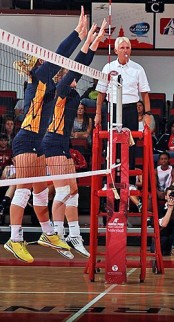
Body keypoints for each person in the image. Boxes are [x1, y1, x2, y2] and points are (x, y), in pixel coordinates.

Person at [5, 10, 88, 263]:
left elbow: (70, 68)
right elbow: (60, 55)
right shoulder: (39, 79)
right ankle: (15, 239)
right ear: (38, 65)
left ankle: (49, 234)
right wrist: (77, 34)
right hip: (27, 140)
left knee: (41, 192)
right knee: (23, 191)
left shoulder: (49, 84)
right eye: (44, 60)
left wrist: (85, 43)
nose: (51, 63)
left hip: (38, 143)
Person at [40, 21, 106, 259]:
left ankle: (74, 235)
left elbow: (84, 64)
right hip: (52, 142)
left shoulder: (70, 89)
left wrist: (96, 40)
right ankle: (56, 235)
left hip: (62, 143)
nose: (73, 75)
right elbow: (81, 63)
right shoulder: (61, 88)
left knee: (74, 190)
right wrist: (88, 37)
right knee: (63, 191)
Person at [94, 36, 151, 175]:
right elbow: (101, 93)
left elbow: (145, 94)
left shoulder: (138, 69)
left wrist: (148, 114)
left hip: (131, 109)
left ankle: (129, 180)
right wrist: (97, 114)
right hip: (112, 108)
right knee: (111, 144)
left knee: (130, 144)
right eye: (122, 48)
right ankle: (110, 179)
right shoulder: (108, 67)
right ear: (115, 50)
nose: (125, 50)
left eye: (127, 48)